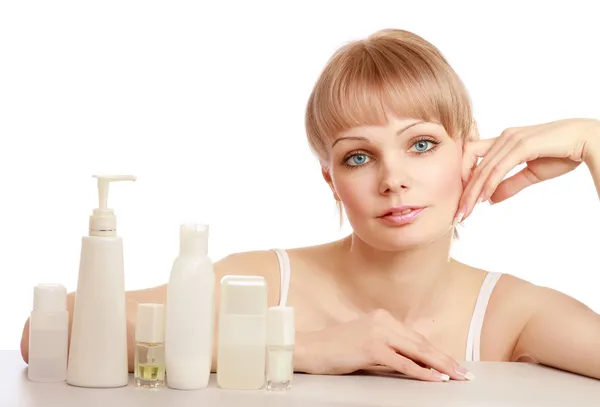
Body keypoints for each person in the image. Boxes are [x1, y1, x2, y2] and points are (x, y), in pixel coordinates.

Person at [20, 28, 600, 382]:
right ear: (330, 179)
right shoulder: (264, 282)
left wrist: (593, 144)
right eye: (358, 157)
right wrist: (300, 350)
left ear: (469, 149)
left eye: (422, 144)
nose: (393, 179)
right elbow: (49, 332)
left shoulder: (511, 313)